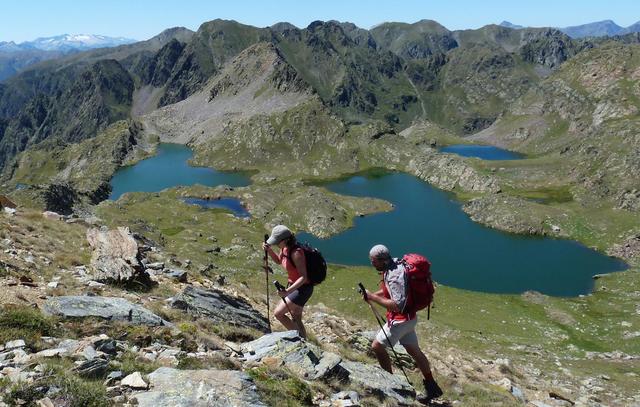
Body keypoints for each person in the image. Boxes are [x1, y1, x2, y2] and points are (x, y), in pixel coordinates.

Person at [363, 244, 443, 403]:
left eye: (373, 261)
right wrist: (372, 294)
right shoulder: (396, 264)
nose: (371, 264)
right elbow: (389, 291)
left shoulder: (394, 276)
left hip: (400, 321)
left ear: (380, 260)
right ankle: (432, 387)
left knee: (377, 347)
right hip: (410, 319)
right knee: (415, 352)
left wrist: (372, 297)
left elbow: (397, 305)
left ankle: (390, 384)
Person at [262, 225, 312, 338]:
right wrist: (269, 250)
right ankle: (304, 340)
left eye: (276, 241)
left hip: (303, 288)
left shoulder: (296, 253)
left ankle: (300, 338)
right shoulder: (284, 248)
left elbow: (303, 277)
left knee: (278, 313)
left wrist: (287, 291)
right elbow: (279, 261)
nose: (275, 244)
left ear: (285, 240)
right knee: (296, 317)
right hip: (294, 286)